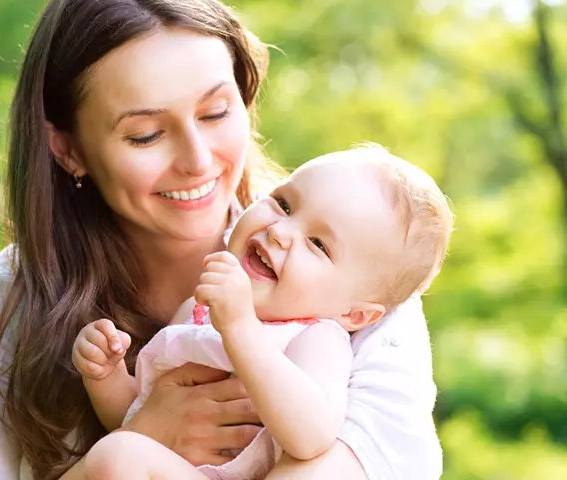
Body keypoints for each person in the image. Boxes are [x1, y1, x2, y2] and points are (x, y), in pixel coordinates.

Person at [0, 1, 444, 479]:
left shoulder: (361, 279)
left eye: (215, 112)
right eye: (145, 134)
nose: (197, 160)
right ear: (68, 149)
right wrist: (138, 429)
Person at [68, 146, 453, 479]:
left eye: (318, 245)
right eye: (284, 204)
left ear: (355, 316)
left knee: (116, 456)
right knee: (117, 457)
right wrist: (106, 375)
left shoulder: (315, 338)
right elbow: (135, 416)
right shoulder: (197, 311)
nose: (280, 232)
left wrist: (240, 329)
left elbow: (311, 435)